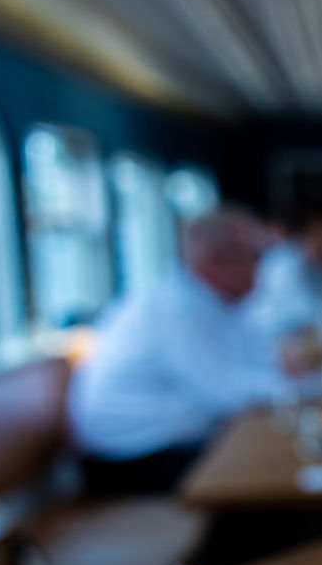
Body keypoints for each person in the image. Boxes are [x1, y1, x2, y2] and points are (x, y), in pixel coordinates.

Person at [69, 207, 293, 494]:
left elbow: (254, 368)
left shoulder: (208, 301)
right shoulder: (178, 307)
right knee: (268, 467)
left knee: (276, 451)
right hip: (129, 461)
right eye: (258, 255)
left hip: (162, 447)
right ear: (215, 262)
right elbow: (229, 395)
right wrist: (313, 388)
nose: (264, 269)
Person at [246, 210, 322, 343]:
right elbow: (268, 316)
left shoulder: (321, 265)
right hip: (277, 341)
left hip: (307, 339)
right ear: (312, 235)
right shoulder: (282, 263)